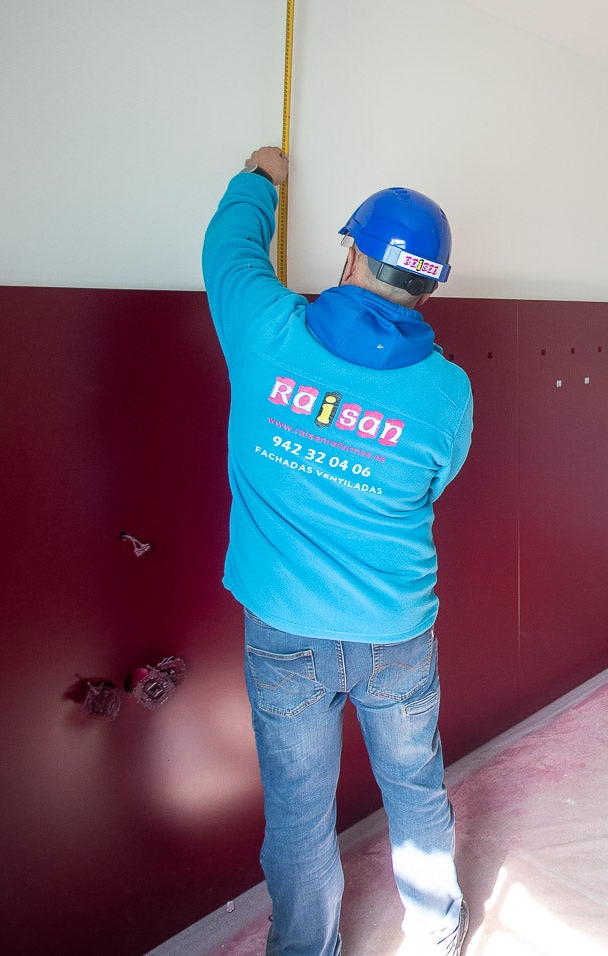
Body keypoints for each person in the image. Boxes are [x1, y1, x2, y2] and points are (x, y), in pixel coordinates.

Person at [203, 145, 473, 956]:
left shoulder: (263, 329)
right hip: (395, 632)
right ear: (428, 283)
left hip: (283, 633)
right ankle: (436, 935)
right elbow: (432, 483)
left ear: (351, 250)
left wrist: (260, 179)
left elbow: (228, 249)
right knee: (415, 790)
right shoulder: (446, 388)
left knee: (295, 812)